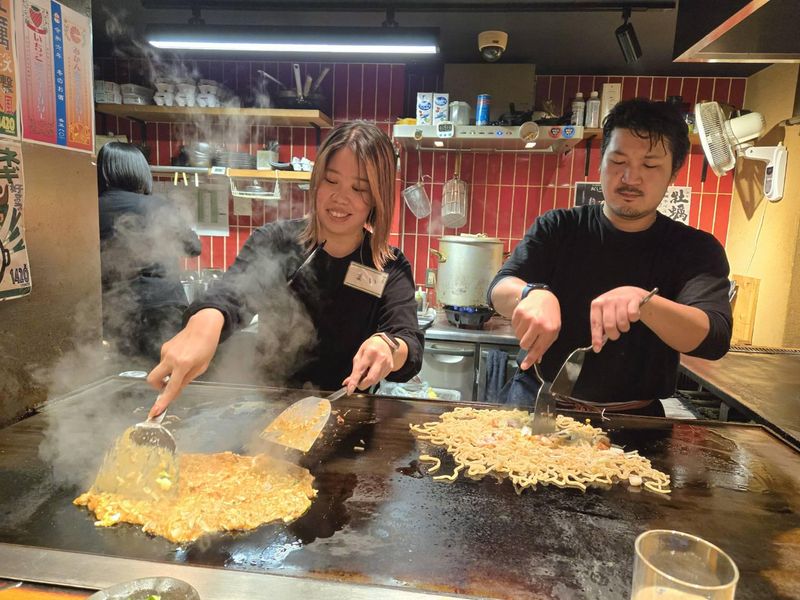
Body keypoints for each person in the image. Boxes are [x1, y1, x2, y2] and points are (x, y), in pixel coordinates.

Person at [146, 121, 423, 417]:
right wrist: (204, 324)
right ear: (316, 180)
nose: (341, 197)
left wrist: (389, 347)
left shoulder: (388, 265)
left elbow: (408, 340)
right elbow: (230, 294)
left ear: (378, 197)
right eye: (331, 181)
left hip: (350, 413)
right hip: (270, 409)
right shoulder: (275, 241)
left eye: (359, 188)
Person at [489, 98, 732, 416]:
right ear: (601, 162)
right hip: (537, 402)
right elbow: (498, 289)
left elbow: (714, 338)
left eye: (649, 165)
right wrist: (530, 294)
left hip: (632, 418)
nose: (630, 178)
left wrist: (644, 303)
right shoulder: (558, 227)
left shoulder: (694, 249)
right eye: (618, 161)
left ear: (673, 173)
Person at [98, 142, 201, 362]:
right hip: (165, 308)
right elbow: (194, 248)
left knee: (122, 373)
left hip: (117, 311)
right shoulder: (158, 206)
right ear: (141, 172)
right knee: (167, 372)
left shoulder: (91, 207)